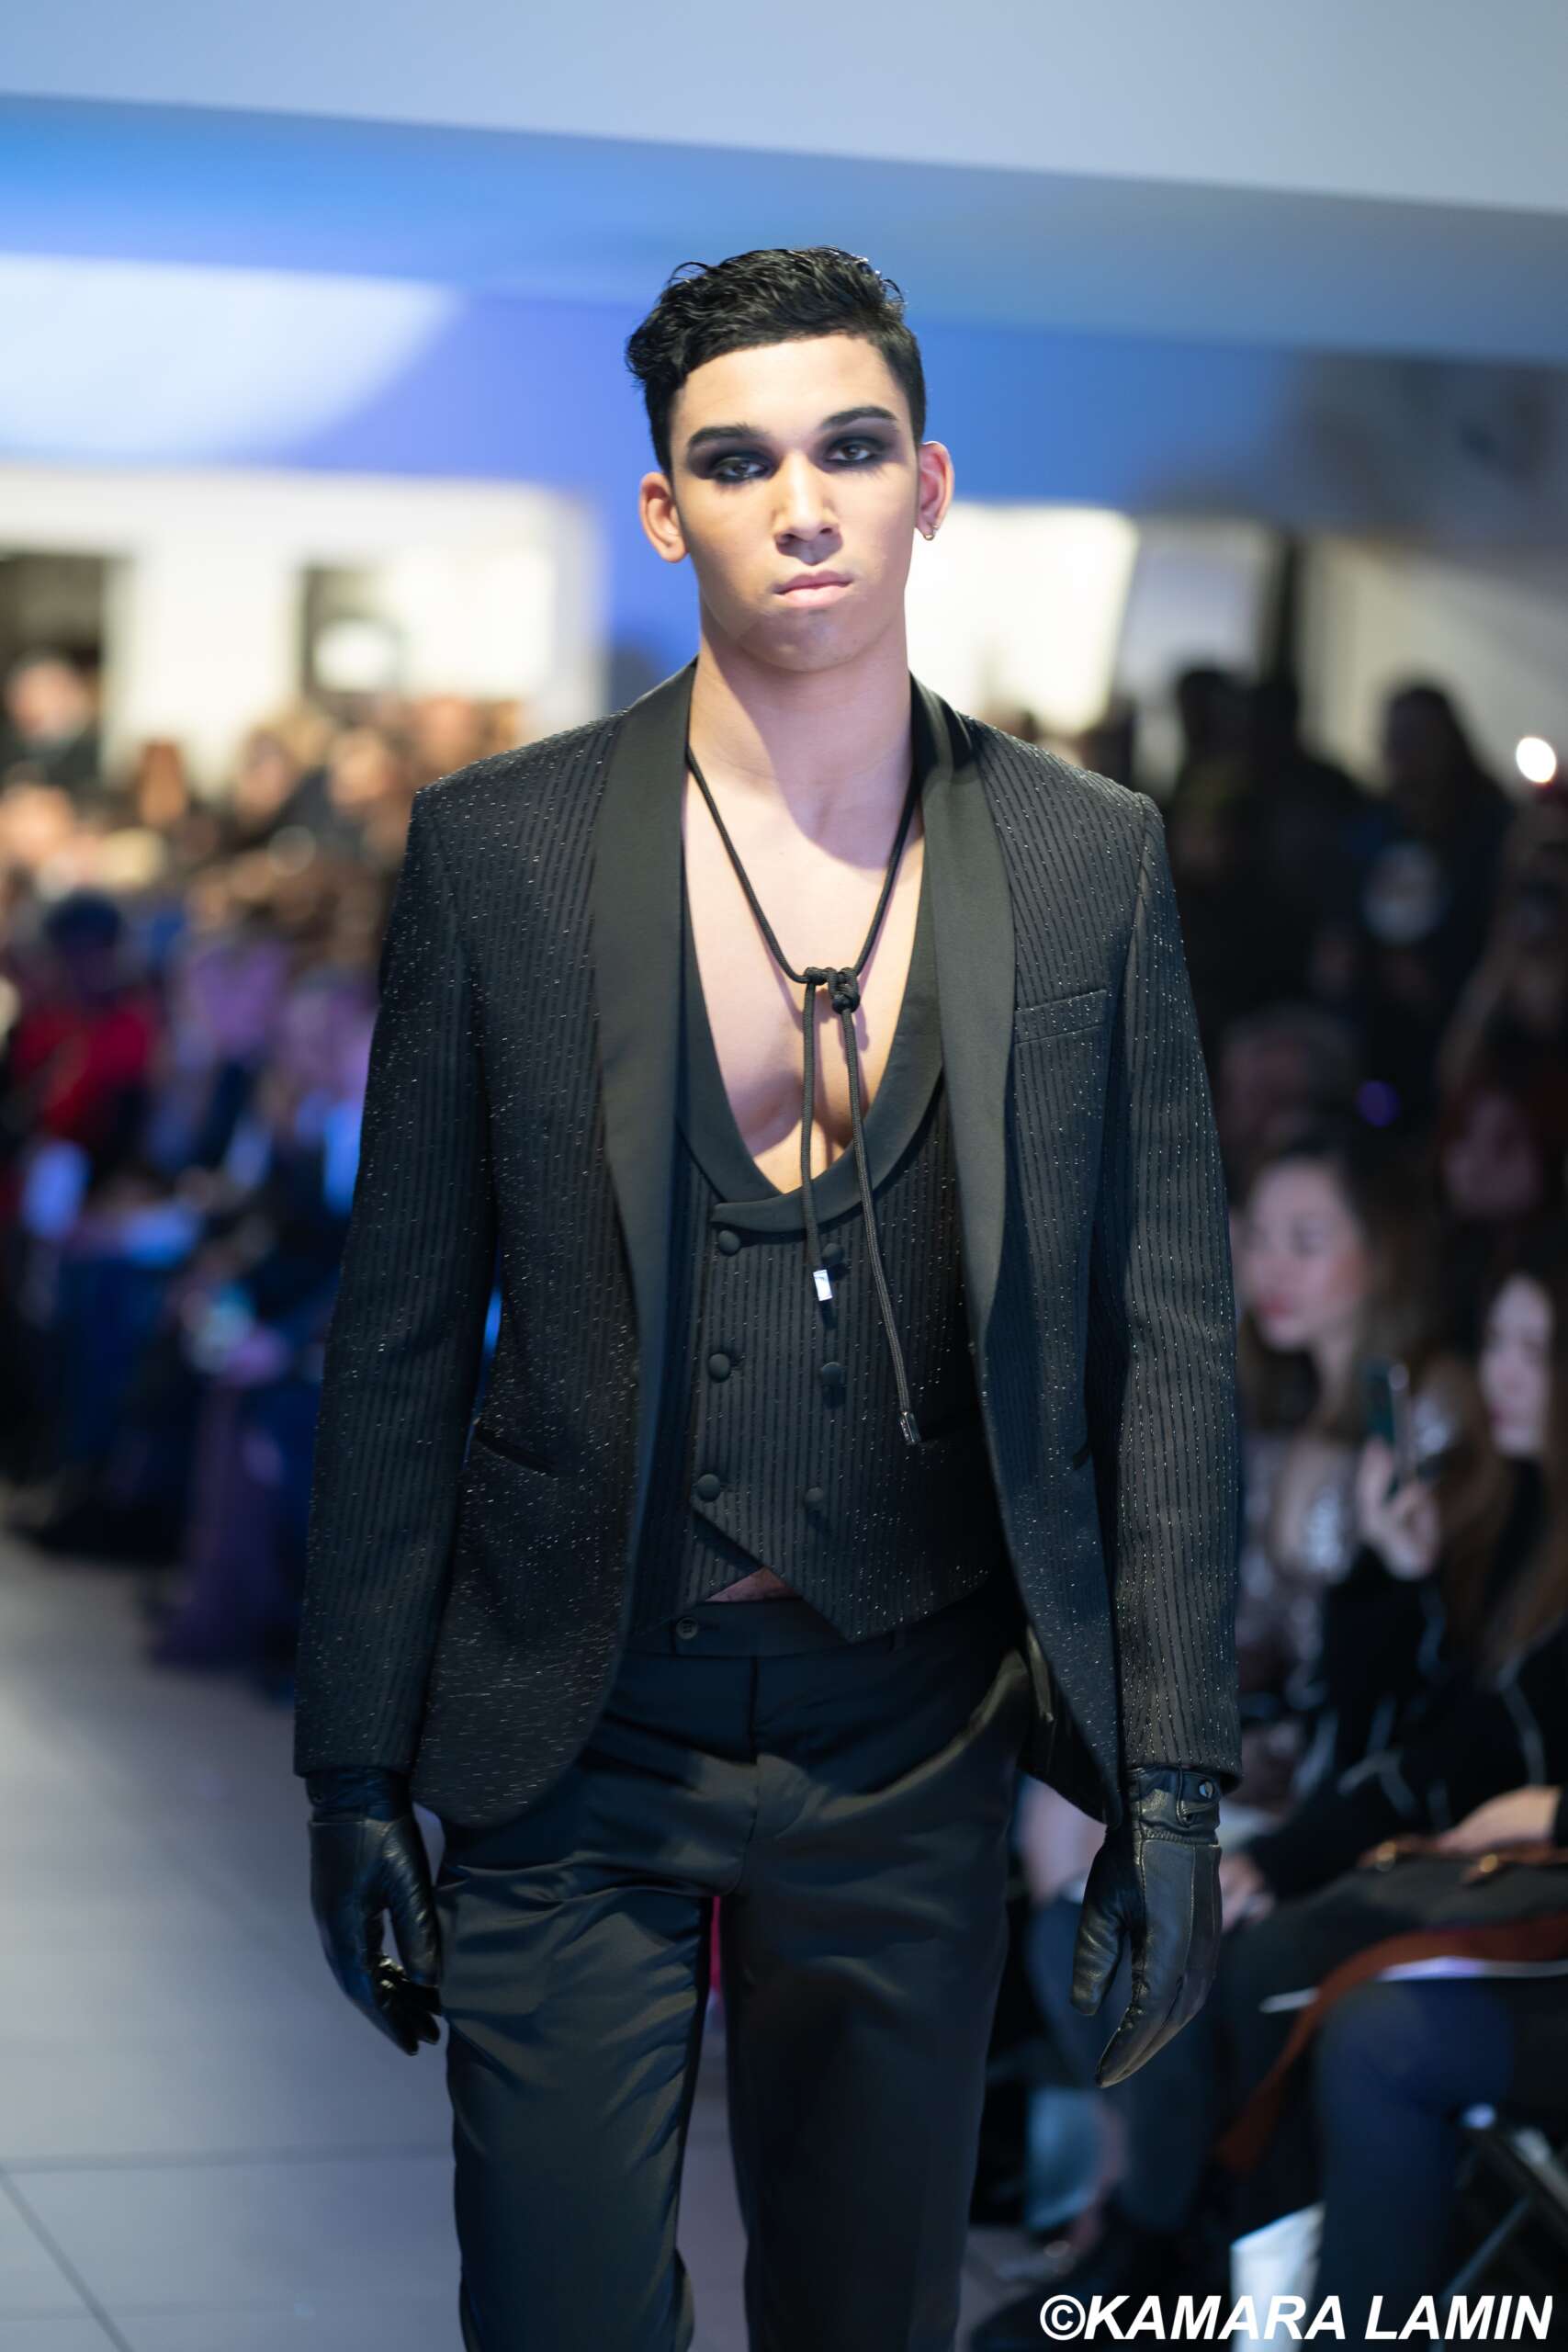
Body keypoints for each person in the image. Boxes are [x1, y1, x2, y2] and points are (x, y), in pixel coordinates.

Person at [291, 245, 1242, 2352]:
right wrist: (349, 1764)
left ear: (929, 484)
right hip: (572, 1712)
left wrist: (1172, 1778)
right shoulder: (502, 847)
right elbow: (400, 1325)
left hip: (910, 1720)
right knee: (552, 2310)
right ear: (663, 507)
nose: (800, 503)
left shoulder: (1080, 856)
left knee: (865, 2312)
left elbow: (1166, 1335)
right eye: (736, 462)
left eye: (850, 448)